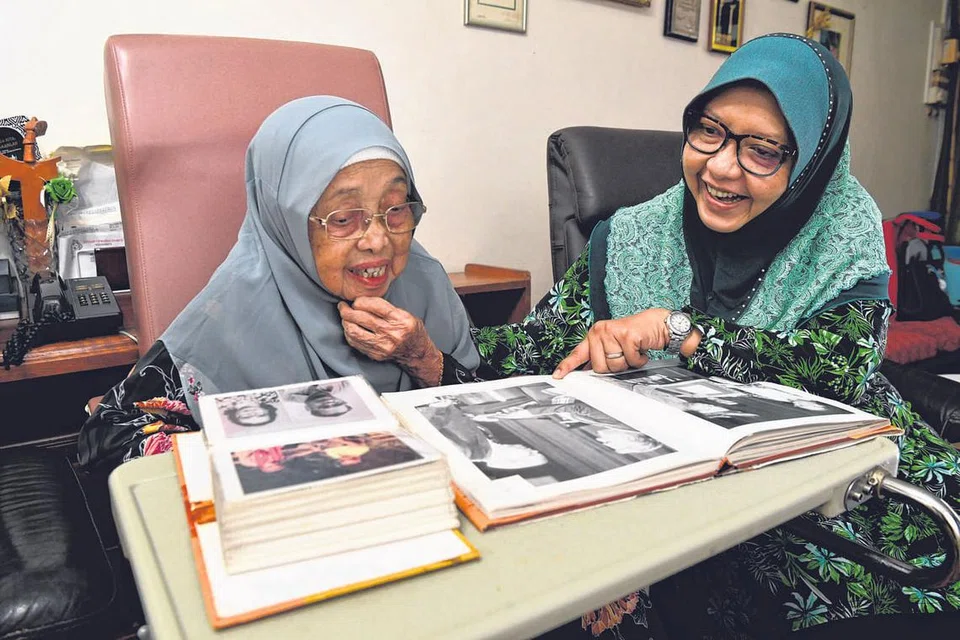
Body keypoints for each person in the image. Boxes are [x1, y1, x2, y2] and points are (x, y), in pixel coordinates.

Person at [472, 34, 960, 638]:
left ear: (808, 163)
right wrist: (431, 353)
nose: (721, 166)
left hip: (842, 494)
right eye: (709, 131)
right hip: (686, 503)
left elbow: (832, 369)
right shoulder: (636, 235)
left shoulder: (841, 233)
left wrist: (681, 331)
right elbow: (538, 343)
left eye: (761, 150)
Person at [78, 97, 480, 469]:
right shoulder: (233, 309)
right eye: (343, 218)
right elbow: (108, 439)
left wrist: (424, 359)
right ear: (285, 218)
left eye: (395, 209)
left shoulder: (424, 281)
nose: (378, 241)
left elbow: (489, 410)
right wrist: (261, 453)